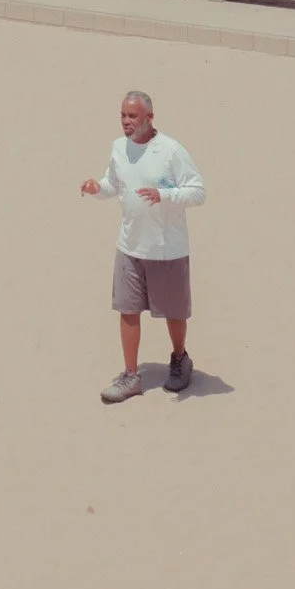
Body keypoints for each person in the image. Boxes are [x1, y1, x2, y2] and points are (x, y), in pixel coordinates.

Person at [81, 90, 206, 402]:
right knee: (128, 310)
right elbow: (113, 183)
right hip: (129, 246)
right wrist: (97, 188)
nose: (126, 121)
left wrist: (164, 195)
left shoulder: (171, 151)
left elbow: (198, 192)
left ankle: (180, 359)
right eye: (123, 115)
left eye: (132, 116)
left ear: (149, 117)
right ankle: (130, 376)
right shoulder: (118, 148)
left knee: (174, 312)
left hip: (166, 249)